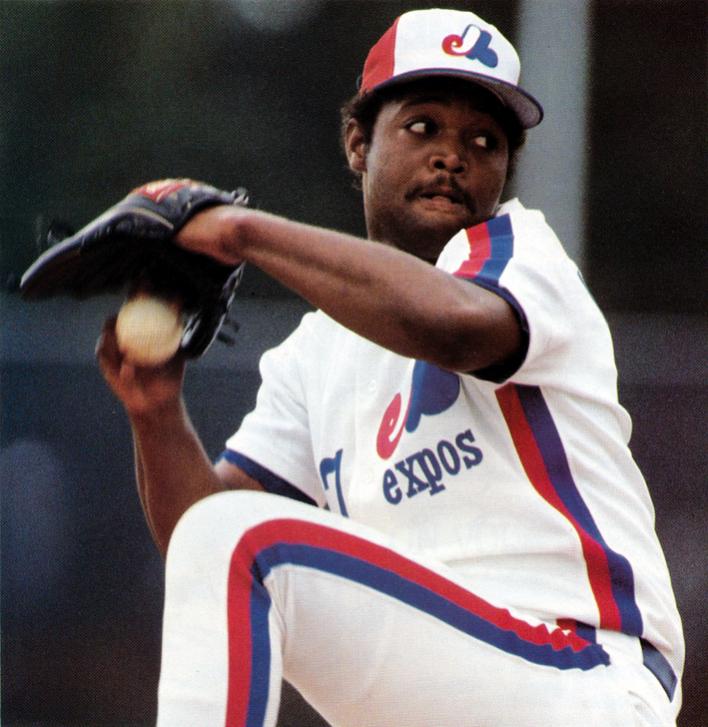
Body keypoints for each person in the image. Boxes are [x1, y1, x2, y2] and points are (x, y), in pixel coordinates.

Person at [96, 8, 683, 727]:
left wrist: (240, 231)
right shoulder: (316, 353)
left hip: (582, 677)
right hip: (447, 676)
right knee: (220, 537)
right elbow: (202, 539)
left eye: (485, 140)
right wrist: (156, 413)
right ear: (358, 142)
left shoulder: (520, 254)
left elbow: (451, 326)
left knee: (243, 540)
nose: (453, 156)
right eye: (423, 126)